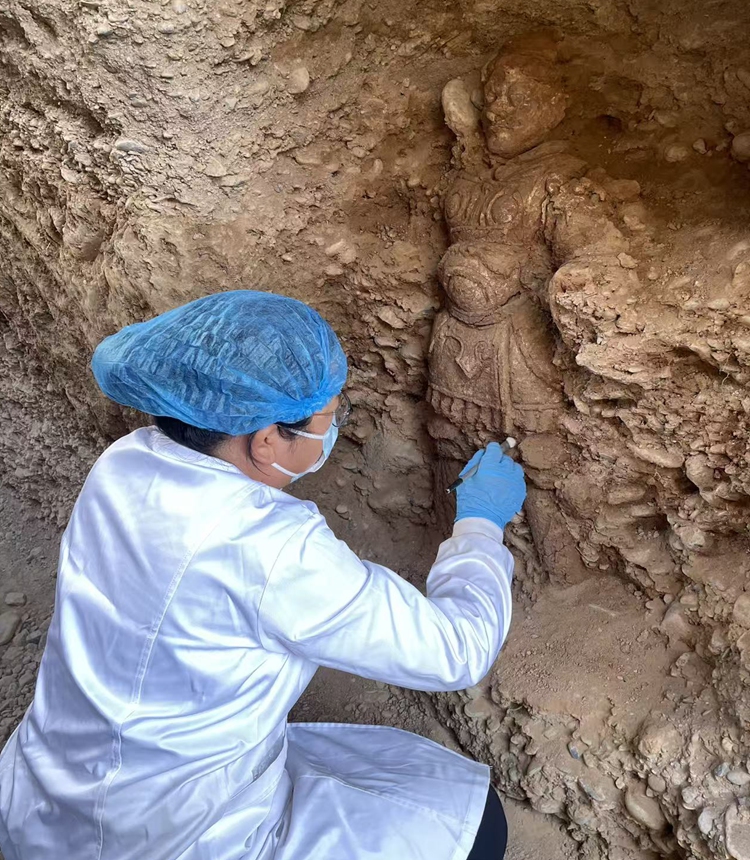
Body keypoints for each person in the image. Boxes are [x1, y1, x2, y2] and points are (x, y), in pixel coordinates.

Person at [0, 290, 525, 860]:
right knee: (476, 828)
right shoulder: (273, 548)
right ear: (267, 438)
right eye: (328, 419)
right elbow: (456, 651)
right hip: (170, 838)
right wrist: (479, 525)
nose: (334, 431)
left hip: (46, 798)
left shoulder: (125, 461)